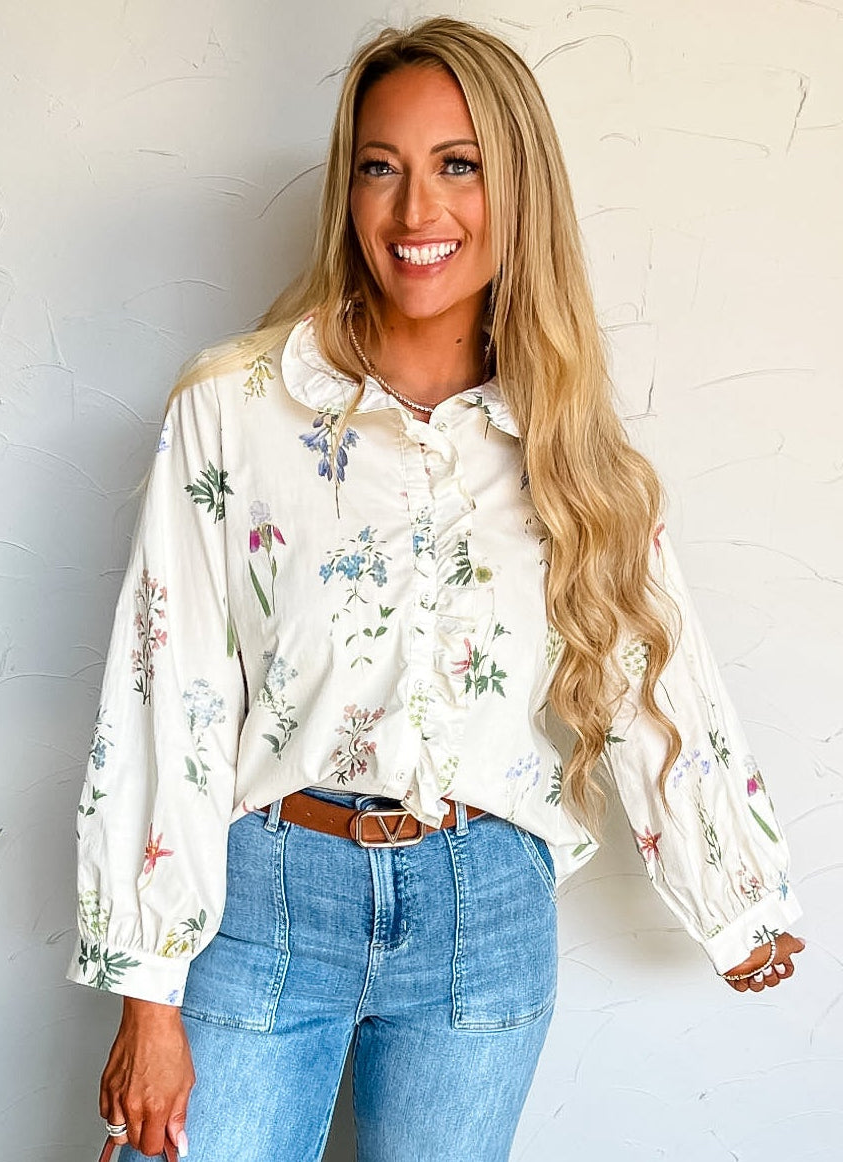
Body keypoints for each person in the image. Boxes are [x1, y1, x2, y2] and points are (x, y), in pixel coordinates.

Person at [70, 16, 805, 1162]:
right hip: (261, 896)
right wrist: (146, 989)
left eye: (457, 166)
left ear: (516, 193)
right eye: (382, 167)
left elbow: (638, 664)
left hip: (484, 908)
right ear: (347, 190)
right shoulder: (231, 409)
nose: (417, 212)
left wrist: (733, 890)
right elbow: (170, 690)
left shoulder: (571, 446)